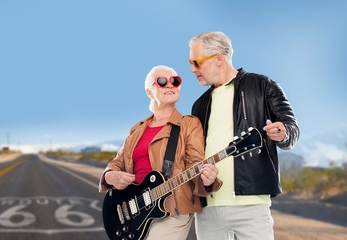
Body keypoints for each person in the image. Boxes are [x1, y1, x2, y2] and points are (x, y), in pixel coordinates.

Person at [188, 32, 299, 240]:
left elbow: (292, 129)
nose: (192, 69)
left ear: (219, 58)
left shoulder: (263, 86)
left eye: (196, 62)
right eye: (190, 62)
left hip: (250, 206)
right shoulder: (199, 104)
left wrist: (283, 133)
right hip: (208, 208)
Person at [99, 65, 222, 240]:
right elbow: (118, 161)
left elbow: (195, 162)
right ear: (149, 92)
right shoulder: (136, 129)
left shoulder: (189, 124)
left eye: (175, 81)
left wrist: (206, 179)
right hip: (132, 210)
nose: (171, 85)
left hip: (170, 209)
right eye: (162, 82)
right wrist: (109, 175)